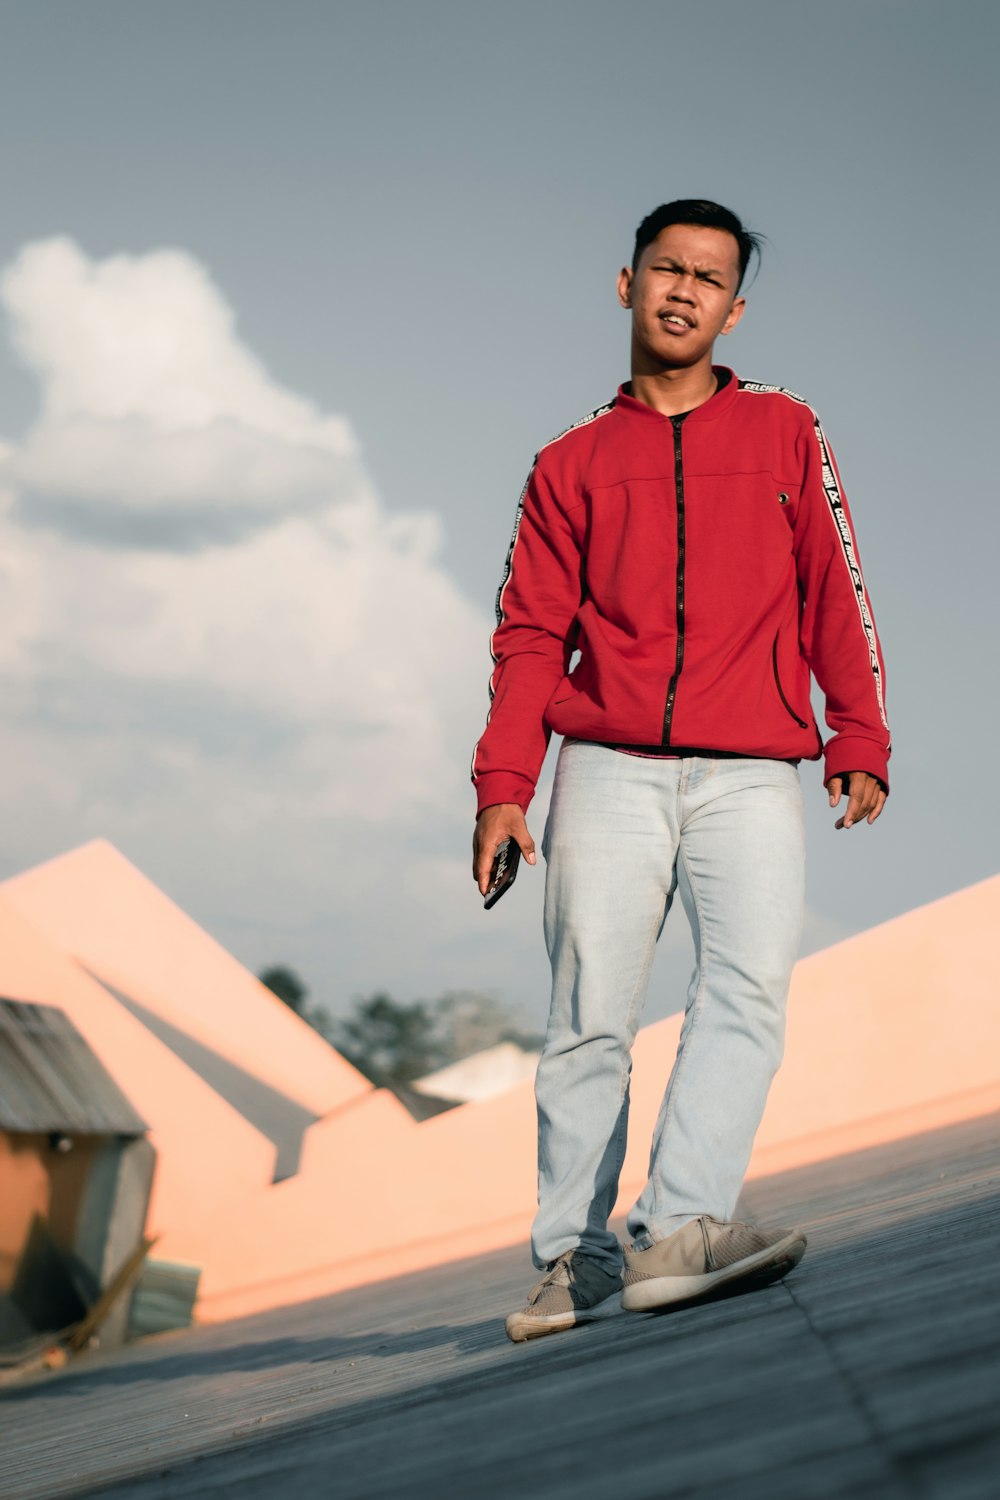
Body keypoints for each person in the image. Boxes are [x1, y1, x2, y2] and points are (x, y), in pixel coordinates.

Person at [471, 200, 890, 1343]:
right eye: (667, 268)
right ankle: (573, 1261)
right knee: (589, 1017)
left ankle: (679, 1226)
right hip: (603, 770)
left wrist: (858, 732)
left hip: (749, 768)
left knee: (746, 992)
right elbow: (525, 634)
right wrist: (504, 787)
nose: (683, 290)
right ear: (626, 283)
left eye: (709, 278)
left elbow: (832, 590)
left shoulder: (785, 431)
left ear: (733, 306)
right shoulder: (568, 463)